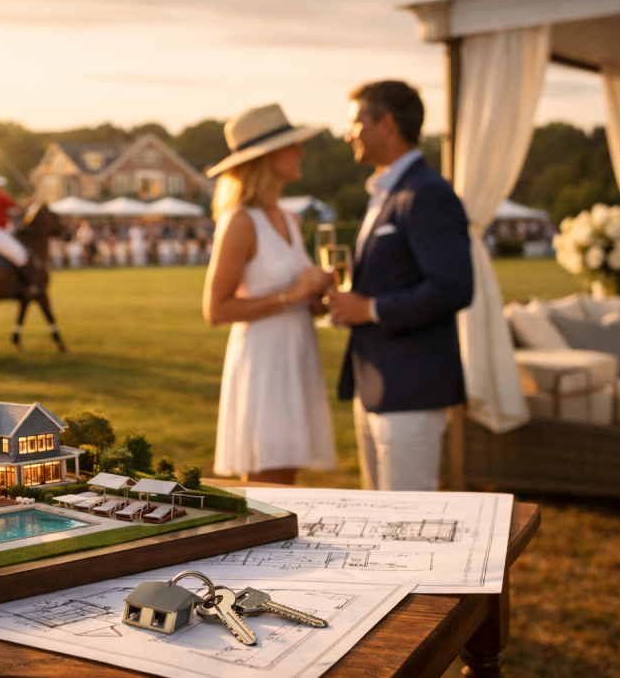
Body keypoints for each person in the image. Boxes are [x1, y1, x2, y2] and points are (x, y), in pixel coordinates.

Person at [328, 80, 473, 491]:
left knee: (406, 524)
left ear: (386, 123)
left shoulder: (427, 193)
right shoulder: (385, 192)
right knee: (378, 519)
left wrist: (370, 309)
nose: (348, 132)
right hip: (375, 383)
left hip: (411, 390)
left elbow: (453, 287)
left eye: (357, 121)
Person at [203, 103, 335, 485]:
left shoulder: (291, 219)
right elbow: (215, 309)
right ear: (265, 159)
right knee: (267, 486)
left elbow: (298, 294)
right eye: (291, 146)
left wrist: (316, 296)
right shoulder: (240, 221)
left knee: (287, 477)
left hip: (295, 353)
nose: (300, 152)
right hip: (264, 362)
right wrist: (290, 295)